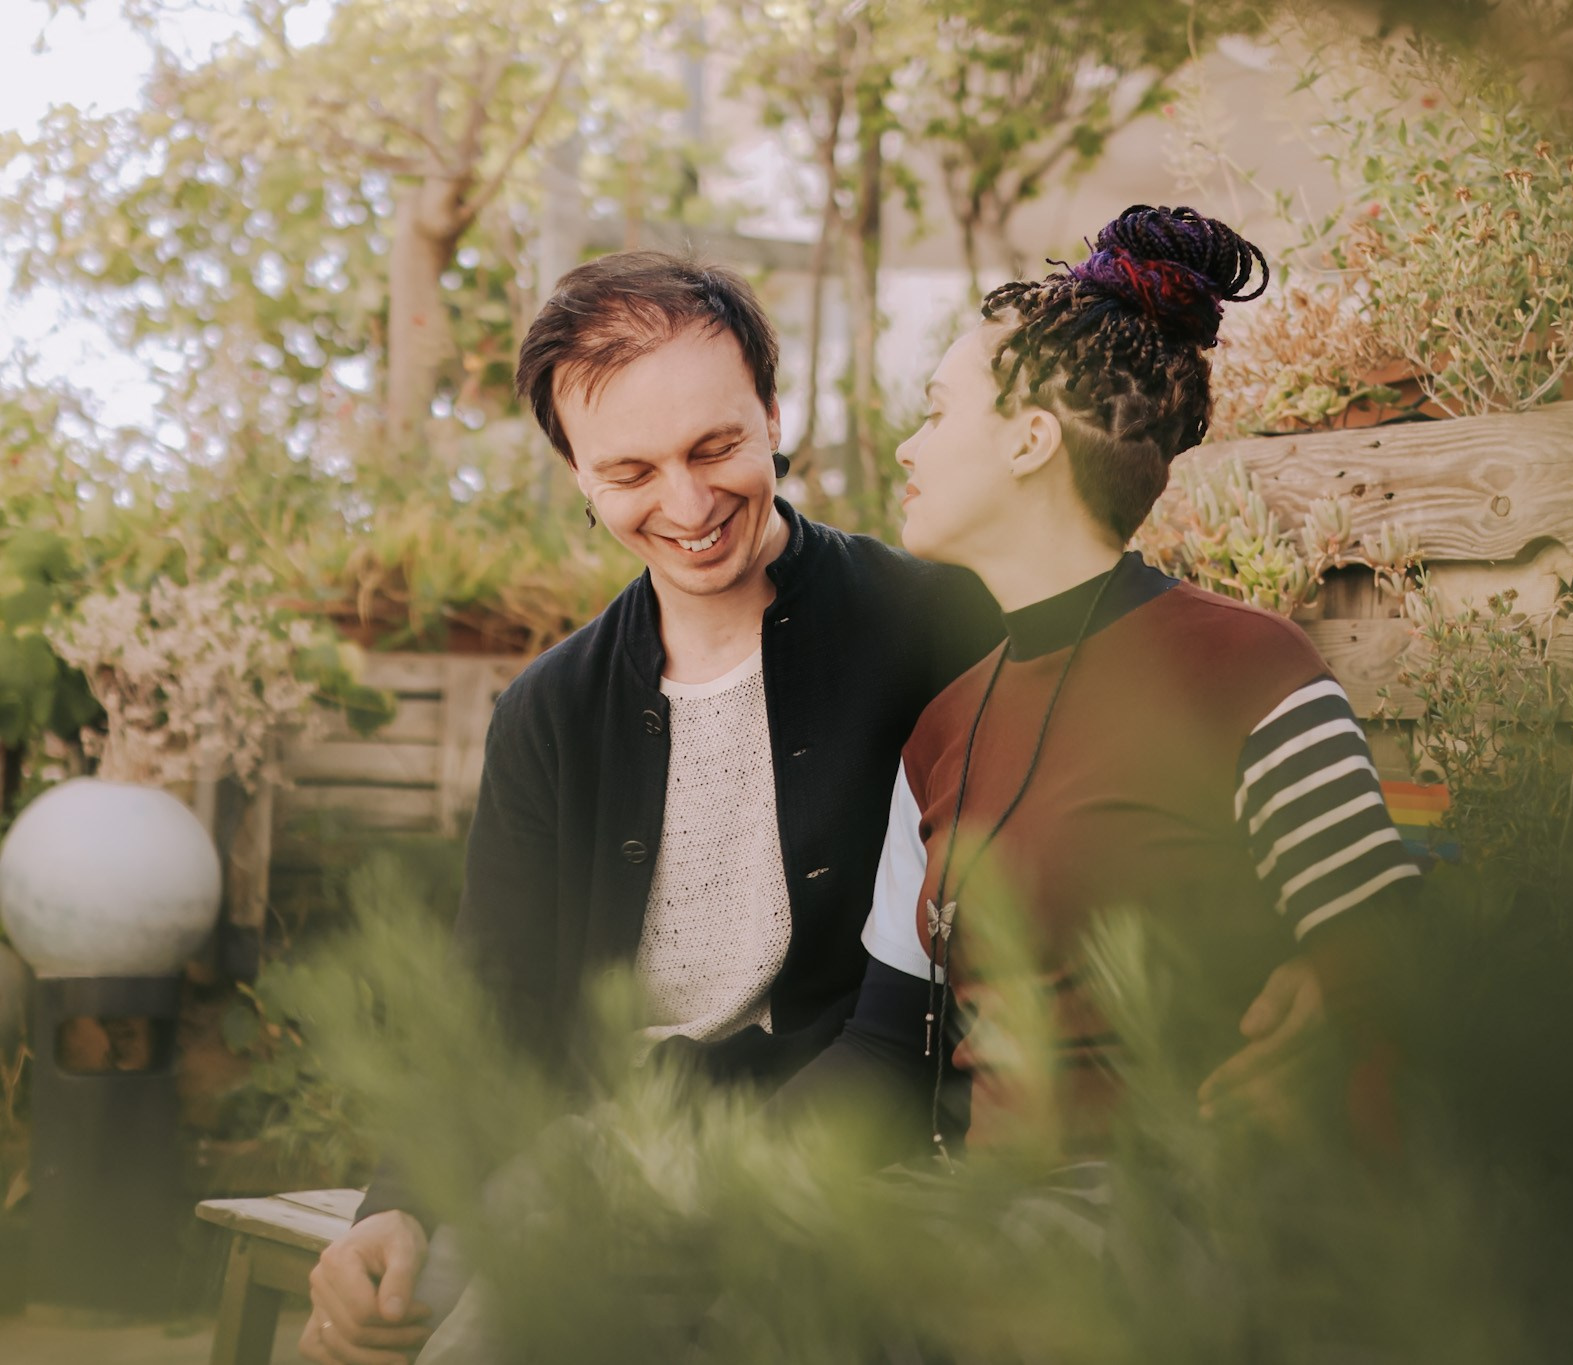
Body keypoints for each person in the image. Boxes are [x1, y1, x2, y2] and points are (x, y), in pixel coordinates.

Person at [298, 251, 1005, 1365]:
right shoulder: (548, 710)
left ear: (774, 414)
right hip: (585, 1143)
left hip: (825, 1150)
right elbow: (498, 1005)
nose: (686, 505)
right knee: (367, 1325)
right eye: (629, 470)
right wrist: (398, 1201)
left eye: (715, 447)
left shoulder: (930, 622)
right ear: (576, 474)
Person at [782, 205, 1423, 1161]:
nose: (910, 447)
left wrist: (1345, 1005)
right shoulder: (940, 732)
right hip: (978, 1220)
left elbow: (1394, 963)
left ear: (1030, 440)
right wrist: (716, 1172)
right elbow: (882, 1044)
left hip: (1172, 1236)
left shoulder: (1248, 672)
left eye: (937, 409)